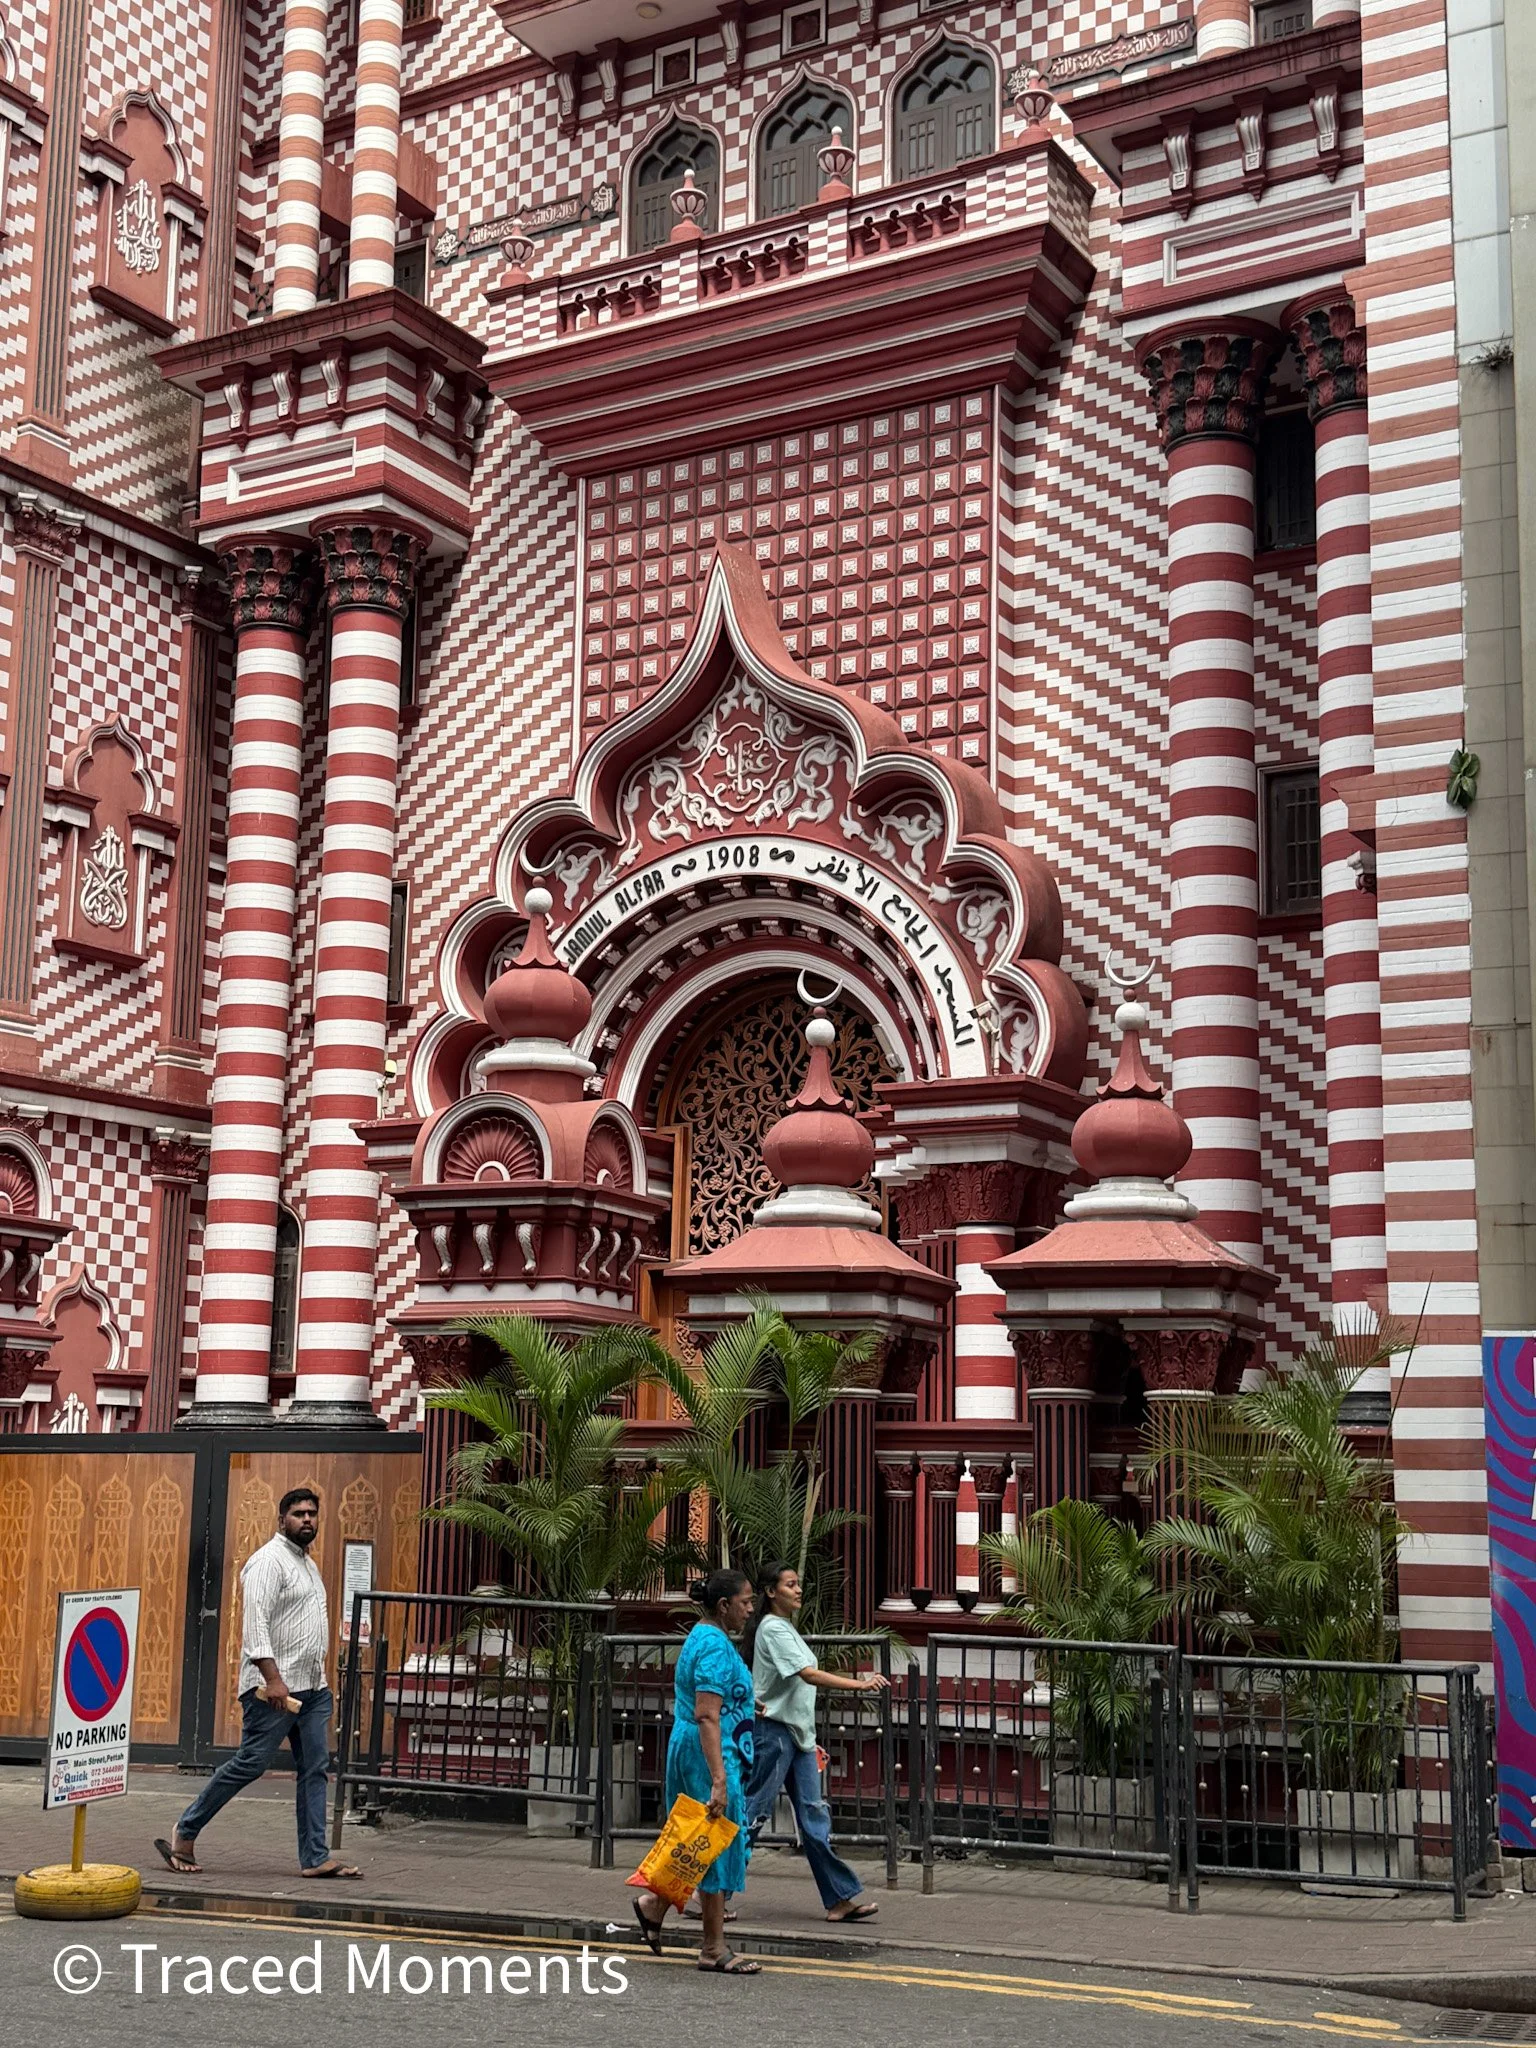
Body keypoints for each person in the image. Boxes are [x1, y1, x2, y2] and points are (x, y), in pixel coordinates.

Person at [153, 1487, 362, 1881]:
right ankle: (186, 1829)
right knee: (251, 1763)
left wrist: (317, 1678)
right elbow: (255, 1628)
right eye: (299, 1513)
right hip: (273, 1690)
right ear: (281, 1519)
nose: (307, 1520)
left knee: (315, 1768)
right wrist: (275, 1679)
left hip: (312, 1691)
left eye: (312, 1513)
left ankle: (315, 1857)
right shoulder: (267, 1562)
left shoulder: (307, 1564)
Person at [742, 1561, 889, 1923]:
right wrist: (860, 1685)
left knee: (813, 1815)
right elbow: (807, 1675)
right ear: (771, 1592)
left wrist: (809, 1737)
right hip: (775, 1734)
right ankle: (710, 1890)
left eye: (798, 1584)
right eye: (790, 1585)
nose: (797, 1590)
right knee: (752, 1814)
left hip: (797, 1737)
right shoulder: (773, 1629)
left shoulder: (785, 1628)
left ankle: (839, 1898)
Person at [632, 1568, 761, 1975]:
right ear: (724, 1606)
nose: (751, 1609)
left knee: (698, 1838)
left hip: (694, 1745)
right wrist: (719, 1779)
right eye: (745, 1602)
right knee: (716, 1841)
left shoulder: (705, 1637)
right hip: (708, 1752)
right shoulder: (714, 1646)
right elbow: (707, 1715)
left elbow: (712, 1702)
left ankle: (653, 1905)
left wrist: (744, 1706)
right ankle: (712, 1947)